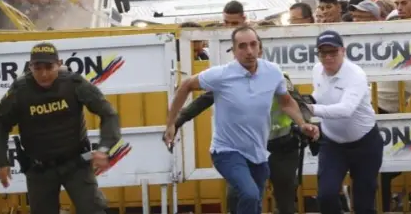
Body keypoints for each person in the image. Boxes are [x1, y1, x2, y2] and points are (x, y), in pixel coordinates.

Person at [163, 26, 319, 214]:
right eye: (243, 46)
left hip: (260, 152)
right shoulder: (222, 75)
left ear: (260, 47)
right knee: (250, 194)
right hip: (227, 151)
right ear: (234, 51)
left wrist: (303, 125)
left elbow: (287, 102)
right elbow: (187, 85)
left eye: (253, 45)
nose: (249, 51)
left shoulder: (273, 72)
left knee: (255, 202)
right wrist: (172, 122)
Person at [0, 42, 122, 214]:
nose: (43, 74)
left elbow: (109, 113)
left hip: (76, 164)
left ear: (59, 64)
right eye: (37, 68)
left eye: (49, 67)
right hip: (39, 169)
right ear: (30, 67)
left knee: (94, 209)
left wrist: (104, 149)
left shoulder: (74, 83)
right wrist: (1, 161)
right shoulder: (20, 90)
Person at [307, 30, 383, 214]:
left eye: (333, 52)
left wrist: (310, 110)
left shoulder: (355, 74)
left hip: (365, 144)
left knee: (364, 205)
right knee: (326, 196)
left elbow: (346, 109)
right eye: (323, 53)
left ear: (343, 51)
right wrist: (308, 101)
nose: (328, 58)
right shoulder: (317, 70)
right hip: (332, 143)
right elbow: (321, 94)